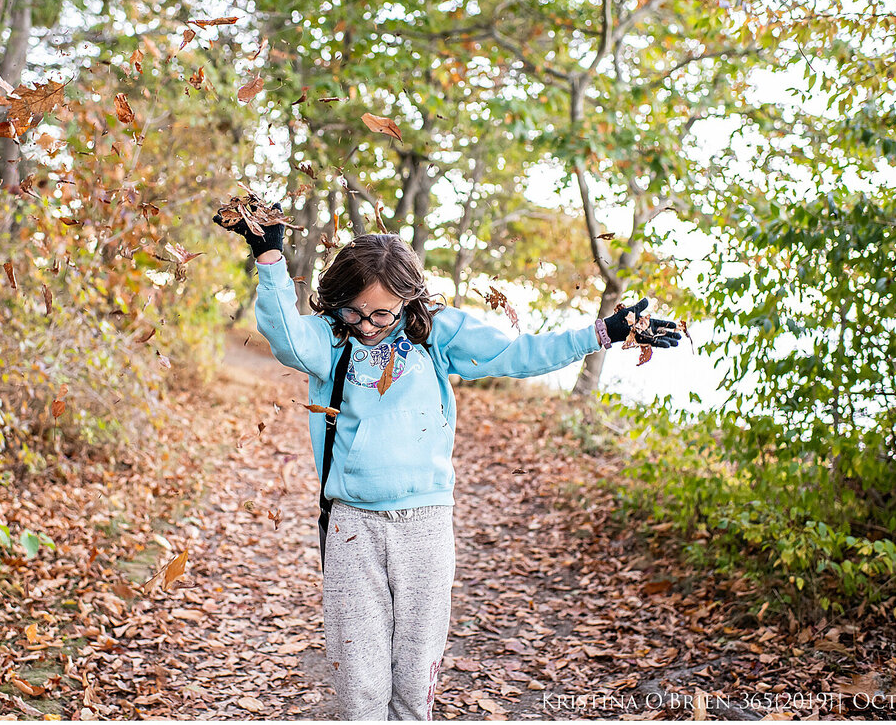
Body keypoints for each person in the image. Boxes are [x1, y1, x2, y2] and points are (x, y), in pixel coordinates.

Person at [214, 204, 681, 720]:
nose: (367, 326)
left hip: (426, 526)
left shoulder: (434, 334)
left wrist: (605, 332)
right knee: (359, 680)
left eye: (381, 314)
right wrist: (270, 257)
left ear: (407, 301)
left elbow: (520, 354)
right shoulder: (330, 341)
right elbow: (283, 332)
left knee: (415, 677)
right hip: (352, 526)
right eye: (355, 311)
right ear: (339, 303)